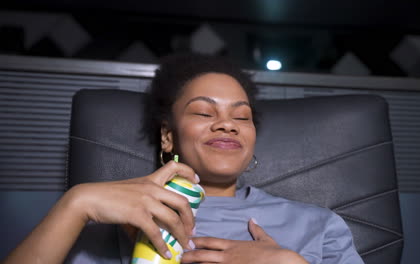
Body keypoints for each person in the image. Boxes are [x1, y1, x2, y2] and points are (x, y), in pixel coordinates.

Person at [3, 53, 364, 264]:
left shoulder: (319, 225)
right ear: (167, 135)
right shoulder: (119, 217)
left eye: (242, 117)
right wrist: (77, 202)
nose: (227, 125)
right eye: (205, 114)